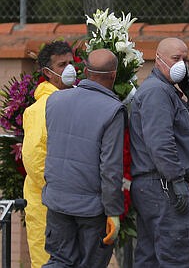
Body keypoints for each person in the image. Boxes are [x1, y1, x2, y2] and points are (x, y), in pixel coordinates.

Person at [42, 49, 126, 267]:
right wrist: (114, 212)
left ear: (86, 71)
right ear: (114, 75)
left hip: (57, 200)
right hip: (91, 208)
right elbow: (110, 167)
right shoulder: (113, 110)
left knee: (59, 260)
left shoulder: (55, 100)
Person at [129, 37, 189, 267]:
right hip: (162, 184)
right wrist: (175, 178)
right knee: (175, 255)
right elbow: (160, 142)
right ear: (159, 59)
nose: (181, 64)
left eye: (185, 59)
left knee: (150, 256)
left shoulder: (166, 91)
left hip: (155, 184)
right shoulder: (157, 92)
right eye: (176, 59)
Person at [22, 41, 75, 268]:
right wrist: (63, 188)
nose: (69, 69)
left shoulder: (73, 101)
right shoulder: (40, 109)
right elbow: (34, 158)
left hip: (66, 201)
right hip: (47, 203)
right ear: (47, 72)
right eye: (62, 65)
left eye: (71, 63)